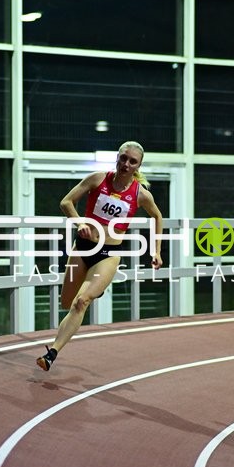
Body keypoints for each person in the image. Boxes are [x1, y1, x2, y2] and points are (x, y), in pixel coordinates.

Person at [36, 141, 164, 371]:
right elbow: (66, 202)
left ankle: (51, 354)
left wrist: (156, 250)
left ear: (138, 165)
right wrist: (80, 222)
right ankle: (96, 286)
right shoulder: (97, 179)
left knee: (81, 302)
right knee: (66, 302)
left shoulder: (140, 194)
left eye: (132, 161)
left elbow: (157, 217)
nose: (126, 164)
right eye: (123, 158)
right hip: (83, 248)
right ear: (117, 157)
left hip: (109, 253)